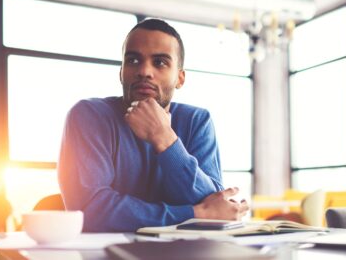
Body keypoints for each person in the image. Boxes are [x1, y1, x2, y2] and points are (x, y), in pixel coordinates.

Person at [58, 18, 248, 232]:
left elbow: (214, 202)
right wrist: (195, 214)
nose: (144, 71)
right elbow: (91, 210)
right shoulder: (89, 116)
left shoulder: (197, 120)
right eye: (133, 60)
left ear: (180, 78)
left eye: (160, 62)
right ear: (121, 72)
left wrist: (165, 139)